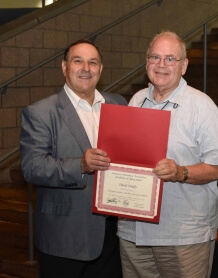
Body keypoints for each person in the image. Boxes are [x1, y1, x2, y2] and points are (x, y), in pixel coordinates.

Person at [117, 30, 218, 278]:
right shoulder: (136, 100)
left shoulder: (201, 106)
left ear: (184, 66)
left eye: (170, 59)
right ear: (147, 61)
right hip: (134, 231)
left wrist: (180, 172)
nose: (161, 65)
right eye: (155, 57)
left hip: (182, 235)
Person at [19, 39, 127, 278]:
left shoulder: (118, 103)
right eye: (78, 61)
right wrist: (79, 165)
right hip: (64, 238)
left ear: (101, 69)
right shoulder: (40, 112)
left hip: (111, 237)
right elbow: (31, 166)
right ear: (64, 67)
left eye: (93, 62)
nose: (86, 68)